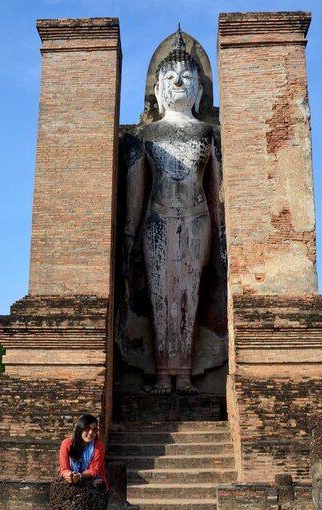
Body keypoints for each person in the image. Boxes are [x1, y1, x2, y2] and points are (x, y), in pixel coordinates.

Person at [122, 27, 223, 396]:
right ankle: (164, 372)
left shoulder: (208, 135)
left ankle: (186, 372)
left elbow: (217, 195)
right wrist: (129, 236)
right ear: (158, 88)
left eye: (187, 76)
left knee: (190, 295)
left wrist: (225, 243)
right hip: (157, 222)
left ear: (198, 89)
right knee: (162, 298)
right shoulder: (143, 137)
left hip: (198, 220)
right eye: (170, 76)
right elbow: (135, 195)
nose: (178, 81)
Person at [60, 414, 108, 489]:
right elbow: (64, 469)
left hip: (94, 485)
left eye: (94, 430)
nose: (90, 432)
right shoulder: (66, 444)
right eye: (87, 429)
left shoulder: (99, 445)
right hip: (72, 483)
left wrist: (79, 476)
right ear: (80, 429)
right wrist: (69, 475)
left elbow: (94, 470)